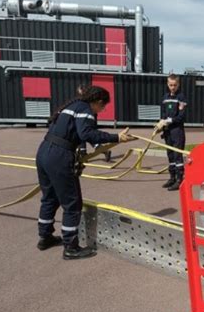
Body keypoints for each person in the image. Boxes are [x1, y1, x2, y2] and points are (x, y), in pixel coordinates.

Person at [36, 85, 132, 260]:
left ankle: (45, 237)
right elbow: (86, 133)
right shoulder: (86, 110)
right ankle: (71, 247)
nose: (102, 110)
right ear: (98, 102)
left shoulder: (71, 106)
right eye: (103, 107)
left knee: (49, 197)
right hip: (59, 155)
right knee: (72, 203)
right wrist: (116, 137)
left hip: (43, 151)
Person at [156, 74, 187, 191]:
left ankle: (180, 179)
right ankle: (172, 177)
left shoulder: (181, 98)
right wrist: (161, 123)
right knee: (170, 155)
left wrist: (170, 120)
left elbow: (181, 116)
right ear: (167, 84)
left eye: (175, 85)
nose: (172, 87)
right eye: (170, 85)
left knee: (177, 156)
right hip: (167, 131)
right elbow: (163, 113)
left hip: (177, 131)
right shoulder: (165, 97)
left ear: (178, 84)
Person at [76, 85, 112, 162]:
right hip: (90, 123)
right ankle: (104, 151)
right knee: (90, 137)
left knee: (83, 136)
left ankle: (83, 154)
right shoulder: (91, 103)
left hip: (87, 123)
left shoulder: (86, 103)